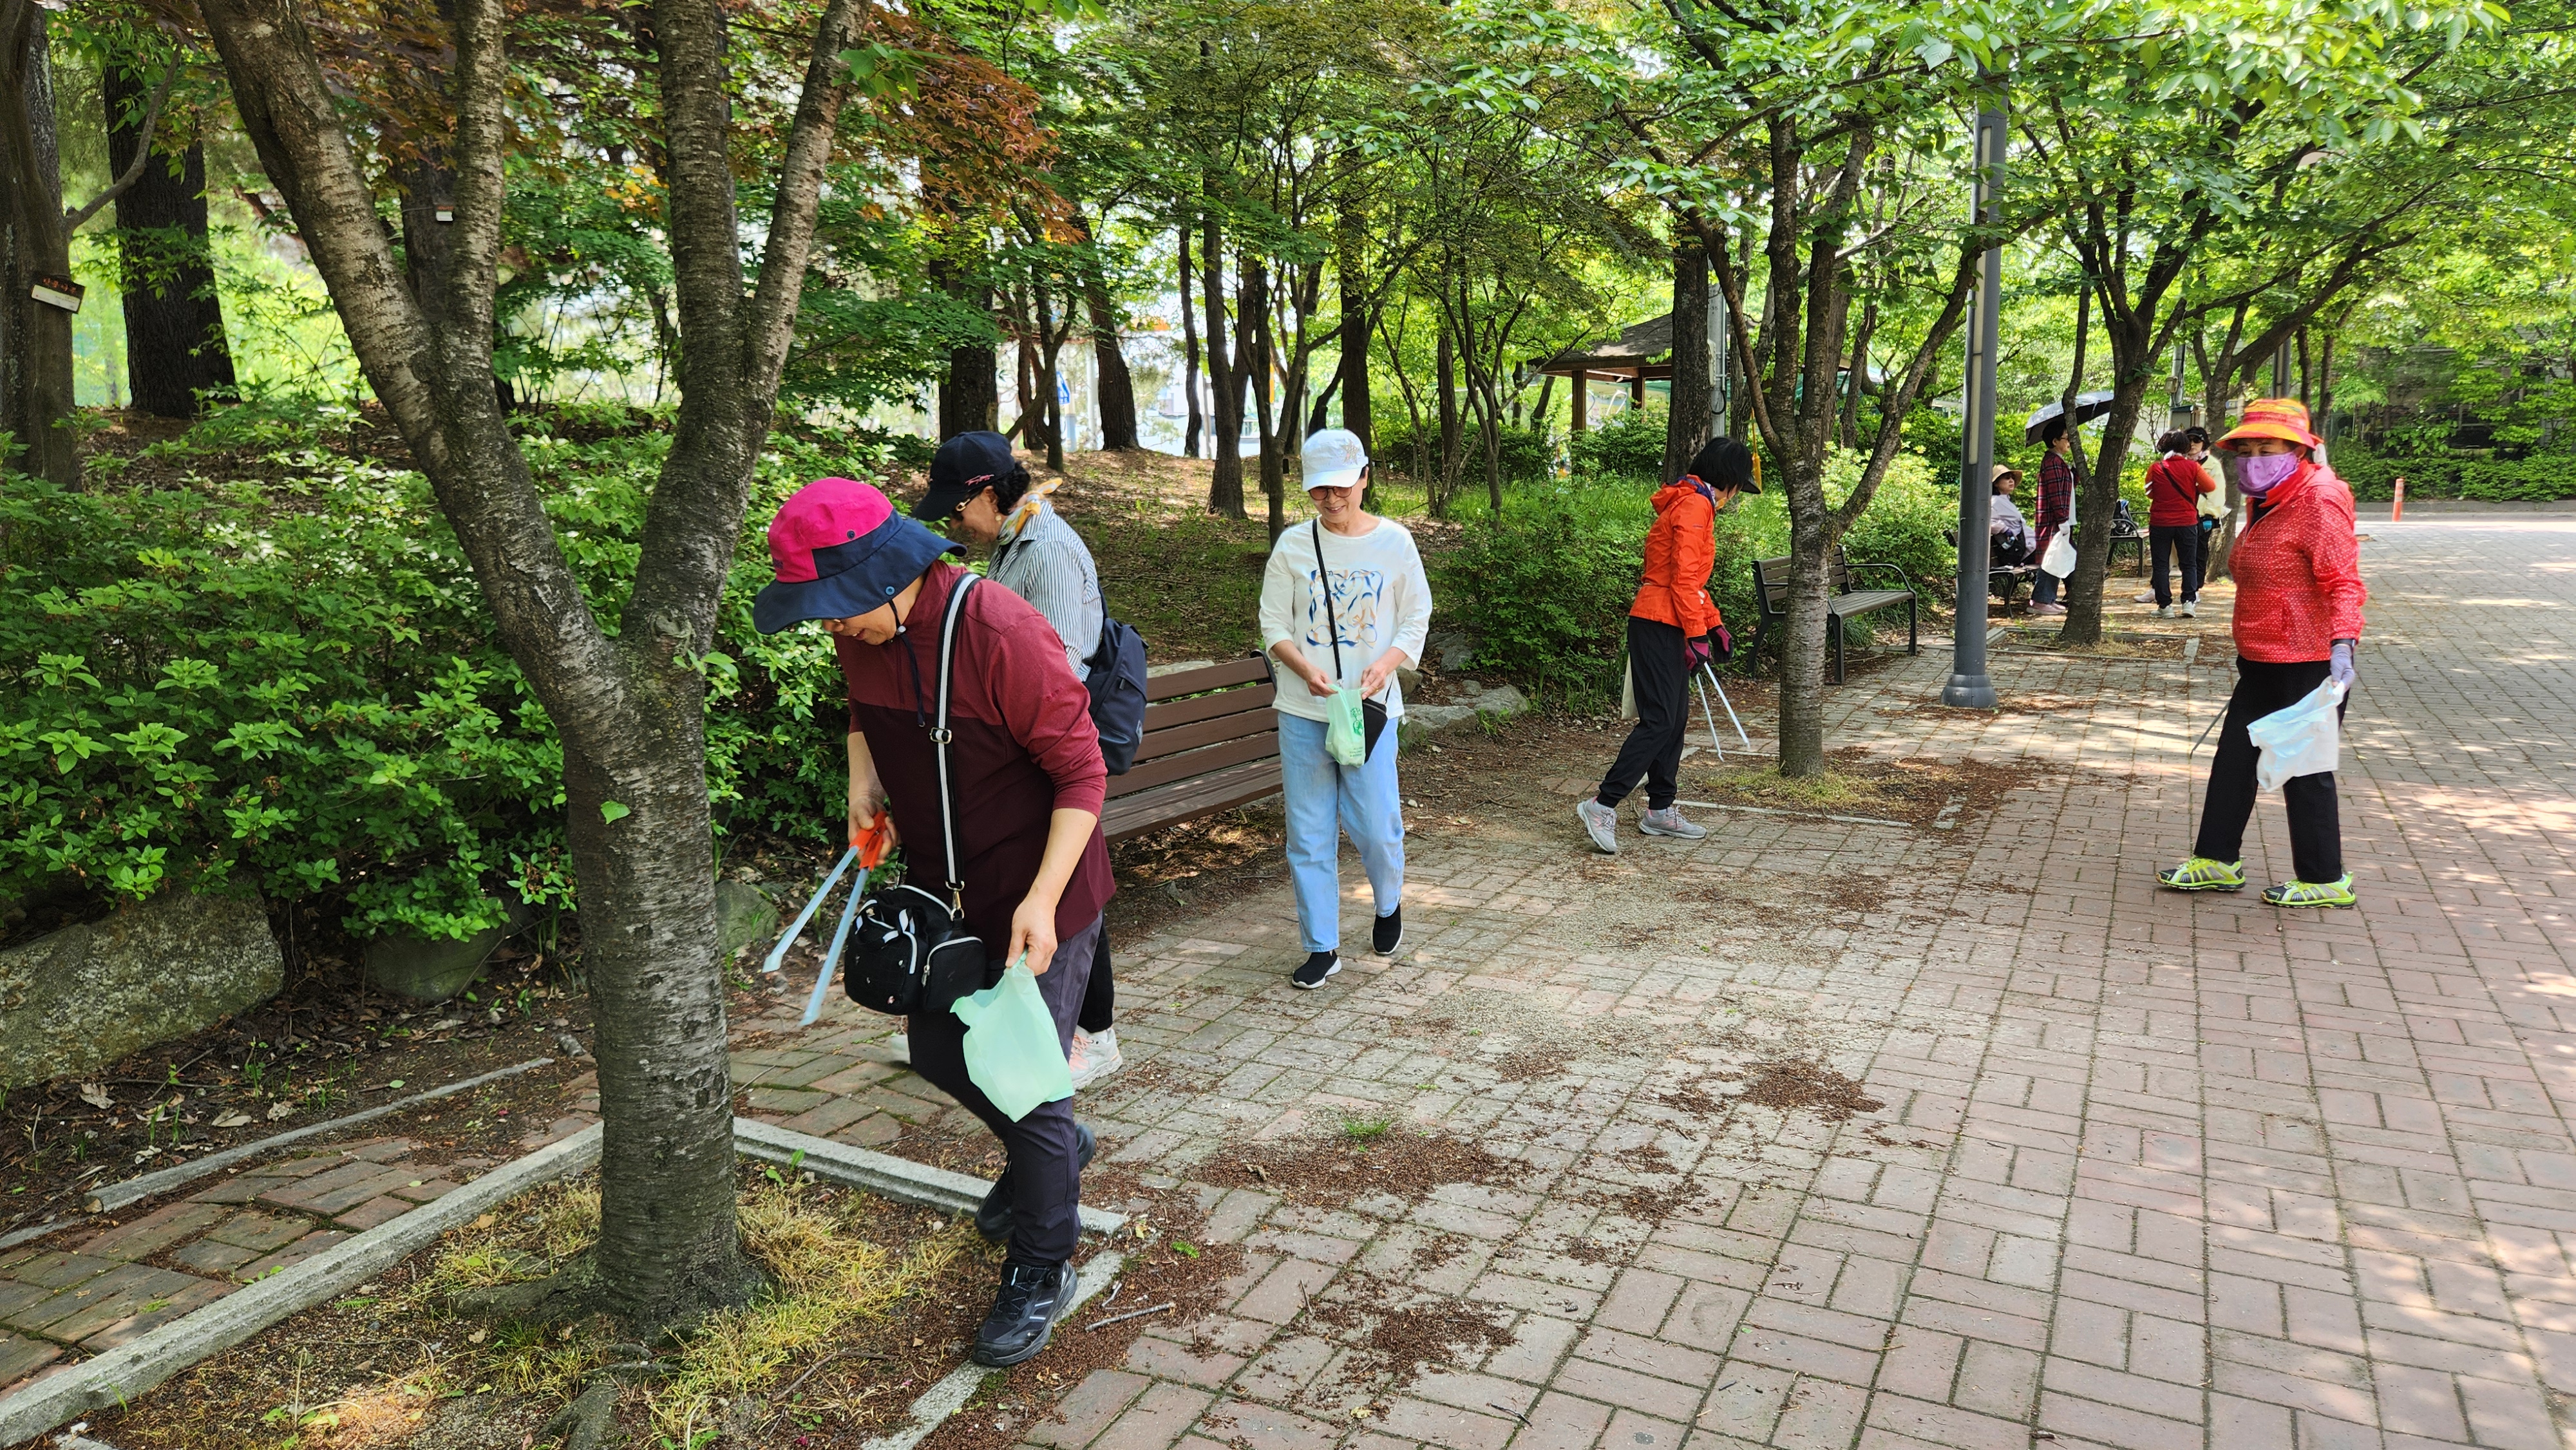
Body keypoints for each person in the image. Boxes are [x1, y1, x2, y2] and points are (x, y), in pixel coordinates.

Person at [754, 475, 1113, 1367]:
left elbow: (1083, 772)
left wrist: (1041, 899)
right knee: (936, 1050)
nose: (831, 630)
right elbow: (864, 709)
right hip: (941, 888)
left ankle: (1043, 1261)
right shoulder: (861, 629)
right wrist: (864, 785)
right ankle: (1055, 1153)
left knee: (1026, 1080)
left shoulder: (998, 631)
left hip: (1040, 889)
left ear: (886, 576)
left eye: (837, 609)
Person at [912, 432, 1122, 1091]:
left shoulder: (1047, 549)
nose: (954, 523)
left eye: (957, 508)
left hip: (1052, 750)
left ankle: (1095, 1034)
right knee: (1043, 886)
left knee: (1074, 891)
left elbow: (1061, 664)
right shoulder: (1012, 542)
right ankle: (1014, 1023)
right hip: (1018, 748)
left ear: (987, 493)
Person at [2157, 399, 2367, 907]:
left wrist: (2343, 644)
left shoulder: (2317, 501)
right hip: (2262, 657)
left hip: (2309, 660)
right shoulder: (2268, 497)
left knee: (2305, 770)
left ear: (2298, 450)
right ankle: (2217, 860)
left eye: (2266, 449)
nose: (2253, 459)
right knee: (2234, 760)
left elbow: (2343, 580)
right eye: (2246, 450)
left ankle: (2325, 879)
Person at [1256, 428, 1432, 989]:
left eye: (1340, 487)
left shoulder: (1395, 542)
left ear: (1363, 479)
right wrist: (1302, 668)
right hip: (1304, 709)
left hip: (1368, 709)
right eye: (1319, 490)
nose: (1331, 499)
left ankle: (1388, 902)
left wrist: (1388, 665)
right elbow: (1272, 624)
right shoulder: (1293, 546)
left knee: (1377, 826)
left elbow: (1416, 615)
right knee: (1308, 833)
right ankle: (1321, 946)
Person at [1576, 437, 1755, 854]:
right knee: (1659, 721)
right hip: (1658, 622)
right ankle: (1602, 804)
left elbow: (1690, 583)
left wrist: (1713, 623)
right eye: (1738, 487)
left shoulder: (1694, 502)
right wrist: (1698, 633)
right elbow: (1683, 579)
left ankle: (1660, 809)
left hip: (1667, 620)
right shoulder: (1695, 506)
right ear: (1728, 480)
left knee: (1674, 720)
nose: (1736, 495)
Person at [2144, 429, 2218, 617]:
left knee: (2161, 565)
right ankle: (2188, 603)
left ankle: (2165, 607)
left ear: (2163, 446)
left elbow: (2149, 493)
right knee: (2189, 564)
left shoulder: (2156, 468)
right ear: (2185, 447)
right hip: (2187, 522)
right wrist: (2194, 488)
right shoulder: (2193, 467)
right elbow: (2210, 486)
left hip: (2160, 522)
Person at [2029, 419, 2076, 616]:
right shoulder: (2052, 462)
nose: (2069, 442)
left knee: (2059, 557)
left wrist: (2076, 470)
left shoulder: (2059, 462)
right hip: (2054, 521)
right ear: (2055, 441)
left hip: (2062, 519)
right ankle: (2041, 600)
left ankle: (2048, 598)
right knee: (2052, 558)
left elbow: (2069, 486)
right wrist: (2062, 520)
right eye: (2066, 438)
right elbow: (2056, 494)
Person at [2190, 427, 2223, 593]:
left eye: (2197, 440)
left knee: (2200, 551)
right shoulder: (2182, 462)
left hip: (2203, 515)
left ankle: (2196, 587)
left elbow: (2217, 491)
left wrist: (2210, 515)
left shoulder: (2212, 465)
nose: (2192, 444)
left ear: (2204, 443)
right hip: (2184, 513)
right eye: (2189, 440)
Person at [1988, 464, 2032, 565]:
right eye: (2007, 478)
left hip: (2025, 545)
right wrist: (2005, 529)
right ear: (1996, 483)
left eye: (2012, 478)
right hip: (2017, 550)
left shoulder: (2005, 500)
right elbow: (1988, 522)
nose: (2011, 481)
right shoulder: (1995, 501)